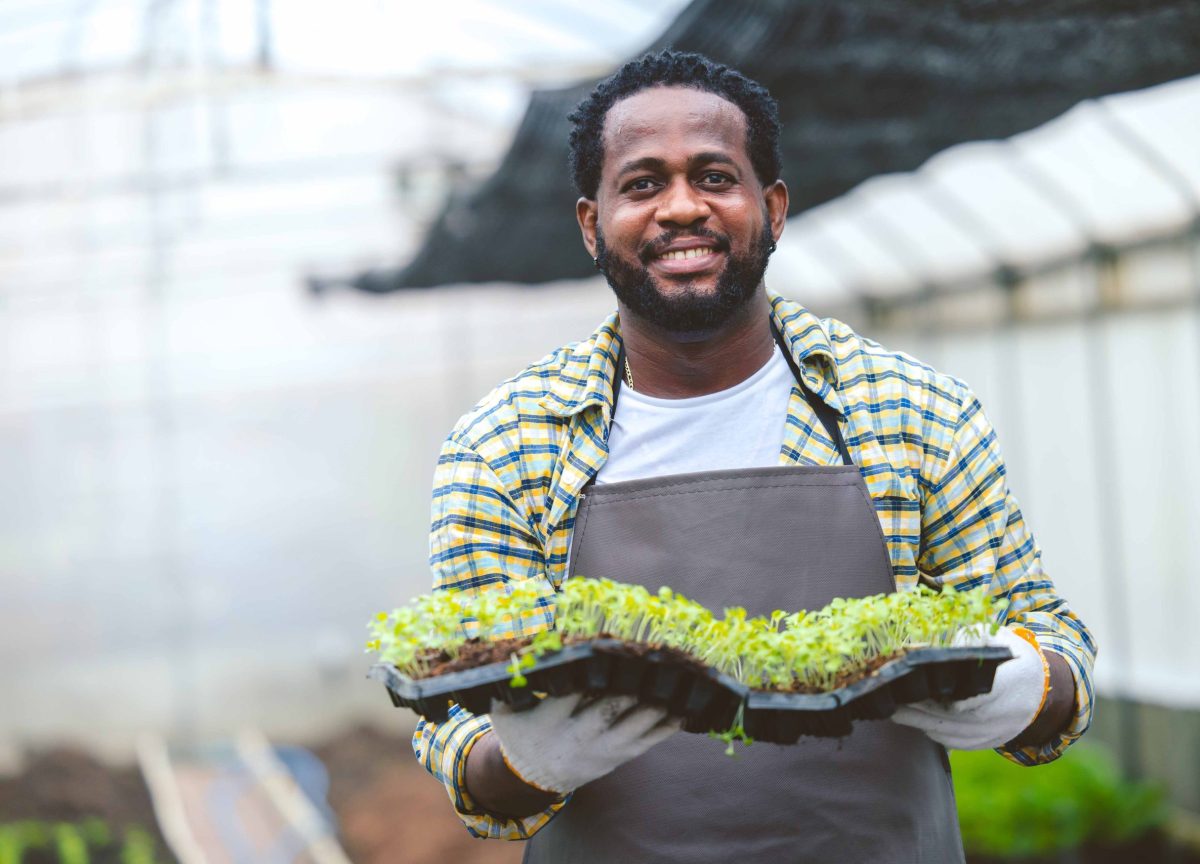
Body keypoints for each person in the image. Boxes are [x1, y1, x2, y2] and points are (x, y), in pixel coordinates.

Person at [412, 50, 1095, 863]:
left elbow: (1052, 642)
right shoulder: (505, 445)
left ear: (771, 208)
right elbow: (462, 739)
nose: (680, 208)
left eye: (714, 176)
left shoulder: (914, 413)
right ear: (592, 224)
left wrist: (1026, 689)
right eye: (641, 184)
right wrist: (526, 760)